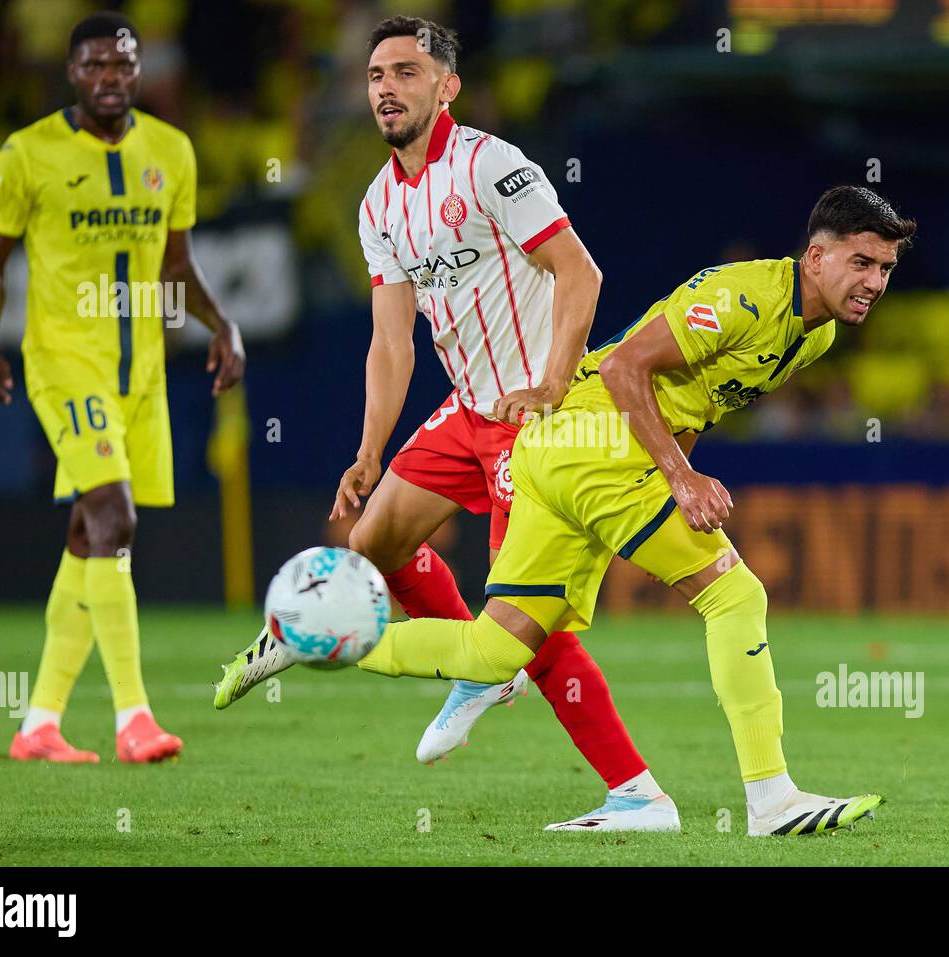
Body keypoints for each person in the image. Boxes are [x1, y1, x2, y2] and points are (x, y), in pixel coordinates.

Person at [213, 15, 677, 832]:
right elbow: (390, 342)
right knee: (373, 543)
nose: (386, 87)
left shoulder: (491, 164)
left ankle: (637, 792)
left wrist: (552, 383)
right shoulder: (377, 205)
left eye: (405, 71)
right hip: (467, 412)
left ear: (446, 86)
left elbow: (582, 271)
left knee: (528, 617)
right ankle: (482, 665)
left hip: (540, 421)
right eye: (374, 75)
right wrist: (367, 450)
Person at [347, 185, 914, 836]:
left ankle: (324, 635)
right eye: (862, 263)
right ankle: (772, 799)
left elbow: (698, 403)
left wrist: (670, 497)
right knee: (735, 597)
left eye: (887, 269)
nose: (875, 281)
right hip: (593, 439)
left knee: (495, 647)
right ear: (815, 257)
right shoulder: (745, 296)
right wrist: (678, 479)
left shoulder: (813, 338)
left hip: (563, 450)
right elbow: (624, 367)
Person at [0, 11, 244, 763]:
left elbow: (177, 266)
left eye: (121, 64)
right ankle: (134, 717)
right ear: (71, 73)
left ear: (139, 69)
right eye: (93, 65)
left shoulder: (172, 150)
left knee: (89, 536)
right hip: (64, 361)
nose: (109, 78)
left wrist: (223, 326)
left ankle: (38, 724)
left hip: (141, 370)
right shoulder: (28, 153)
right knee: (114, 519)